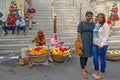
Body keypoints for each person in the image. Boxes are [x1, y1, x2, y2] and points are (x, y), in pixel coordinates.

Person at [77, 11, 95, 79]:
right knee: (82, 55)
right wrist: (80, 42)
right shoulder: (82, 23)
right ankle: (83, 70)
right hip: (83, 41)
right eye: (88, 16)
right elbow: (79, 32)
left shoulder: (93, 23)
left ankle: (85, 67)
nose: (90, 17)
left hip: (90, 42)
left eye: (91, 16)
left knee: (86, 55)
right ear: (86, 16)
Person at [92, 13, 110, 79]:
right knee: (95, 59)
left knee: (102, 59)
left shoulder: (105, 25)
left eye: (101, 17)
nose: (99, 18)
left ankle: (102, 72)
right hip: (95, 44)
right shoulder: (96, 24)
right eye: (98, 17)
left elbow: (106, 36)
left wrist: (102, 44)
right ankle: (97, 70)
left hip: (102, 45)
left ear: (103, 18)